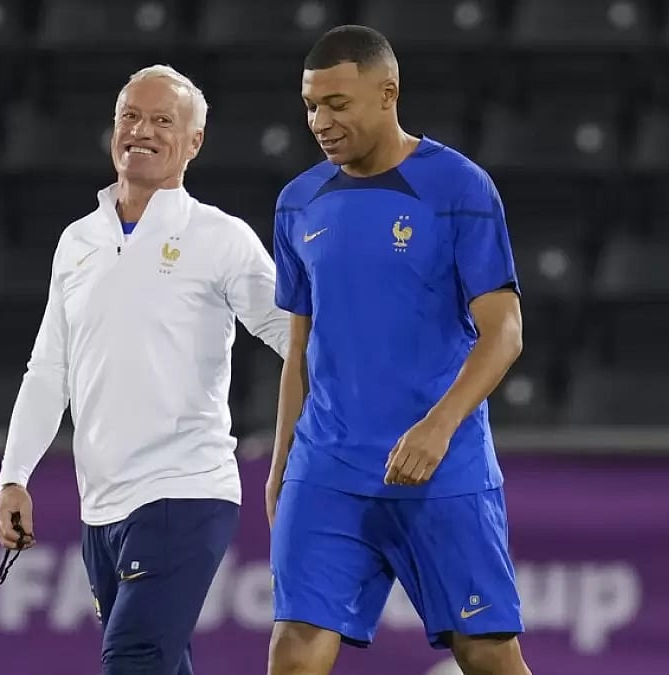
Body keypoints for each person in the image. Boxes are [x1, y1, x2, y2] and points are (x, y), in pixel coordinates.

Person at [0, 65, 289, 674]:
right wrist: (13, 477)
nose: (141, 131)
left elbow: (296, 335)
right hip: (100, 506)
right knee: (160, 664)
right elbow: (48, 369)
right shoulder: (78, 241)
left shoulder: (220, 237)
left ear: (194, 142)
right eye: (129, 117)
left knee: (133, 659)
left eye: (161, 121)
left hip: (186, 490)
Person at [266, 26, 532, 675]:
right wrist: (282, 464)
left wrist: (438, 428)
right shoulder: (297, 202)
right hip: (327, 467)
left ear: (388, 94)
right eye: (311, 106)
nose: (320, 123)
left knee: (487, 654)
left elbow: (504, 331)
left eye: (337, 104)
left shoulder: (459, 188)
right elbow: (299, 346)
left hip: (442, 467)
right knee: (295, 649)